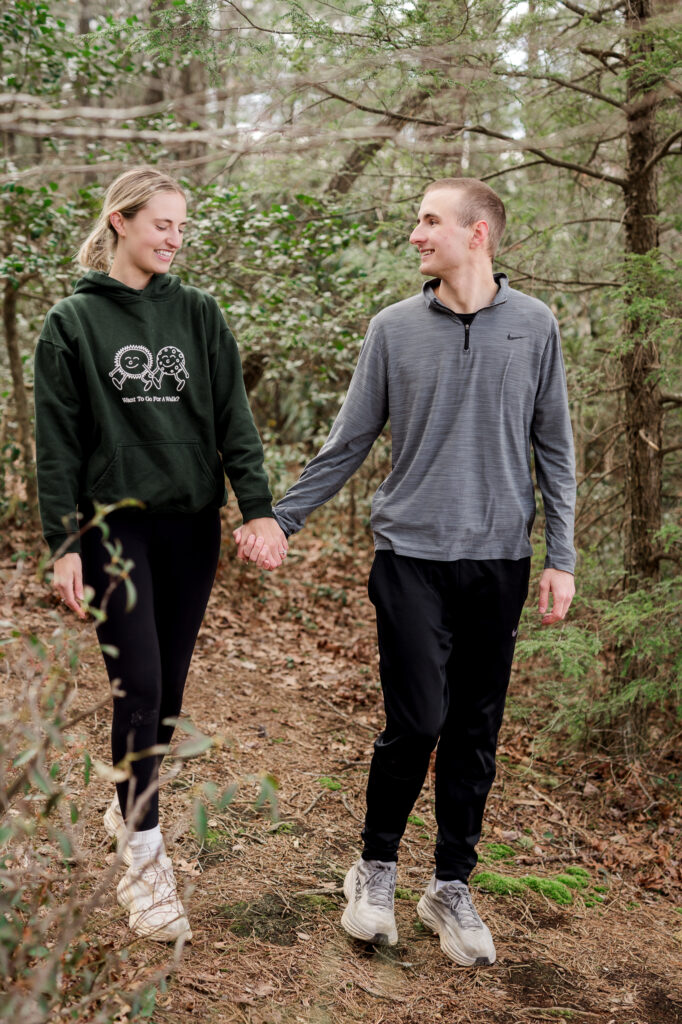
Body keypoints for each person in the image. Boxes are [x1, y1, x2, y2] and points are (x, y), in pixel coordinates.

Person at [238, 178, 576, 966]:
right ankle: (376, 868)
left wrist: (562, 555)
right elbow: (350, 440)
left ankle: (450, 885)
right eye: (419, 219)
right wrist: (281, 519)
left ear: (478, 233)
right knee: (418, 720)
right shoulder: (393, 329)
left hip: (500, 561)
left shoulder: (535, 326)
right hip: (410, 559)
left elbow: (555, 448)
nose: (416, 233)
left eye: (430, 220)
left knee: (474, 731)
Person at [34, 167, 287, 943]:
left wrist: (259, 509)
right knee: (138, 682)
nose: (174, 239)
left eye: (182, 227)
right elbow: (57, 446)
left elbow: (234, 419)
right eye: (162, 225)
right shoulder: (72, 323)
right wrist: (63, 544)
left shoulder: (200, 314)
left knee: (167, 689)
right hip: (116, 527)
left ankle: (125, 803)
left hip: (190, 526)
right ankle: (145, 860)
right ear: (121, 221)